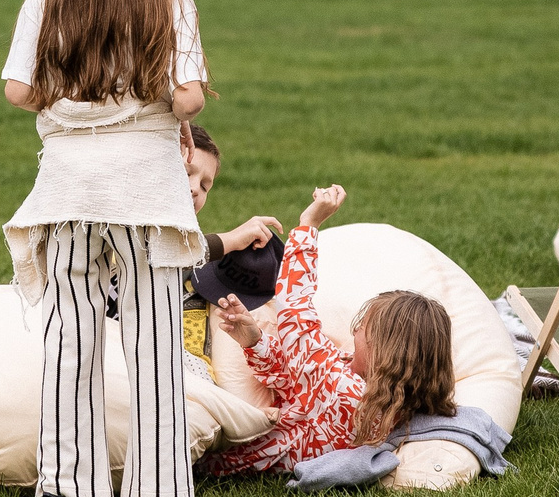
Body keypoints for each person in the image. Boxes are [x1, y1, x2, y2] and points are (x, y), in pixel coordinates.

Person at [2, 0, 210, 497]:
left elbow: (18, 89)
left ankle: (67, 491)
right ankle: (155, 492)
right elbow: (187, 100)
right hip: (145, 190)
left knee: (70, 337)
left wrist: (71, 93)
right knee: (152, 337)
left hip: (67, 189)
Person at [201, 185, 479, 481]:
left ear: (385, 351)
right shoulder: (385, 400)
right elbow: (297, 380)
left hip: (222, 461)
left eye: (364, 326)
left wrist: (309, 224)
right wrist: (255, 341)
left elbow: (295, 314)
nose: (355, 328)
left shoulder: (347, 394)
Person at [180, 124, 285, 368]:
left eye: (206, 186)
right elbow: (157, 253)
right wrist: (232, 239)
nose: (195, 188)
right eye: (186, 172)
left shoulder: (195, 270)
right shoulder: (117, 232)